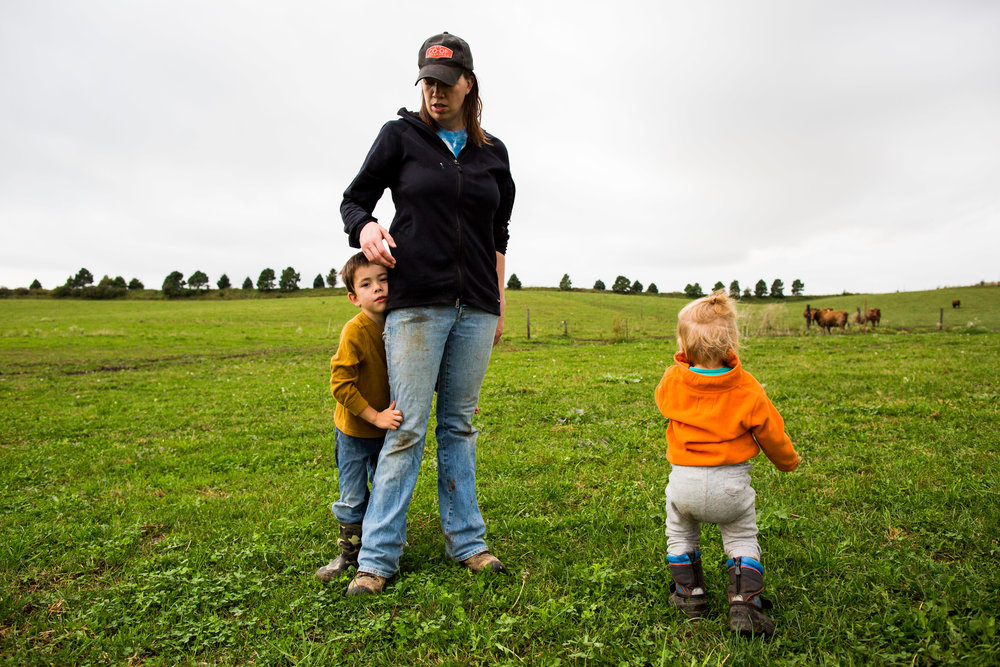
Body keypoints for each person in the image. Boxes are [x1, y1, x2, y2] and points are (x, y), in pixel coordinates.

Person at [339, 32, 515, 595]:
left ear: (468, 83)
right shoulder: (401, 136)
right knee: (408, 426)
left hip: (476, 308)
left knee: (458, 427)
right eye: (427, 84)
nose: (435, 95)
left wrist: (499, 303)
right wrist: (365, 227)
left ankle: (468, 542)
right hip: (416, 304)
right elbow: (354, 199)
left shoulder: (494, 154)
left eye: (446, 84)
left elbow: (499, 232)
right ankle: (376, 558)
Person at [654, 291, 800, 636]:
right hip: (730, 488)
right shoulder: (747, 389)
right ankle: (745, 604)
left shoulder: (672, 381)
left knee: (679, 533)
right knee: (741, 537)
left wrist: (683, 365)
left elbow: (662, 401)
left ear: (682, 343)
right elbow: (772, 434)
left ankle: (690, 596)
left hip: (684, 484)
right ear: (733, 341)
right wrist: (787, 462)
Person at [315, 253, 402, 582]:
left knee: (385, 490)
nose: (378, 288)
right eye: (367, 284)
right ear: (354, 297)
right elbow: (340, 385)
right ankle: (349, 555)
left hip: (387, 430)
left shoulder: (400, 323)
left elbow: (418, 369)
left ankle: (385, 547)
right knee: (353, 497)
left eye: (384, 279)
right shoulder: (355, 331)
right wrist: (374, 416)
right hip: (354, 431)